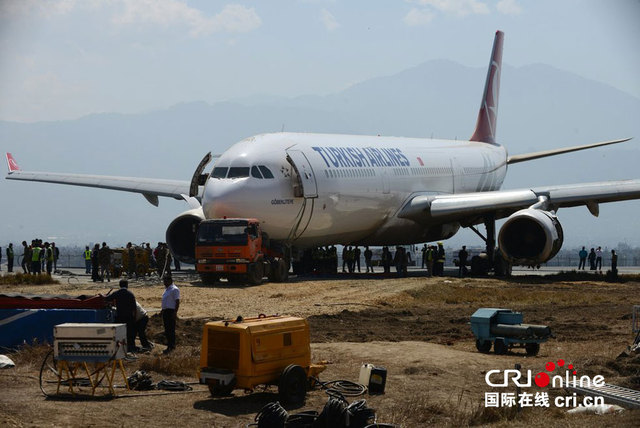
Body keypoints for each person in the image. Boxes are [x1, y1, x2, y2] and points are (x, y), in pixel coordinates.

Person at [106, 280, 137, 353]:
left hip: (120, 316)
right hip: (129, 317)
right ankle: (131, 348)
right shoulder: (130, 294)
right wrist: (134, 318)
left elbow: (107, 298)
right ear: (127, 285)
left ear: (120, 285)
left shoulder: (117, 293)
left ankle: (119, 348)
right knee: (130, 333)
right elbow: (134, 308)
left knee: (119, 333)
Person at [161, 275, 180, 354]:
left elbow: (177, 302)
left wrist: (175, 312)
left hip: (170, 311)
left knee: (171, 330)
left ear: (170, 281)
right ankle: (169, 346)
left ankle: (172, 346)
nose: (164, 283)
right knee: (167, 330)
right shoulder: (167, 289)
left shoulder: (174, 289)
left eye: (165, 281)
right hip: (165, 311)